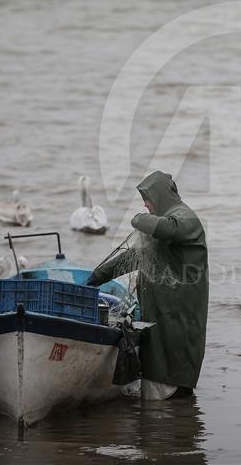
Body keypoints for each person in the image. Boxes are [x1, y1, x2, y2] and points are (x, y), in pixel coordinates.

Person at [87, 171, 209, 400]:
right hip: (161, 314)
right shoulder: (163, 223)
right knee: (159, 380)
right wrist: (95, 278)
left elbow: (167, 227)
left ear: (161, 196)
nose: (145, 204)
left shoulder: (184, 219)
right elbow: (129, 258)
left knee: (170, 381)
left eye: (147, 198)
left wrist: (137, 219)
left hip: (178, 316)